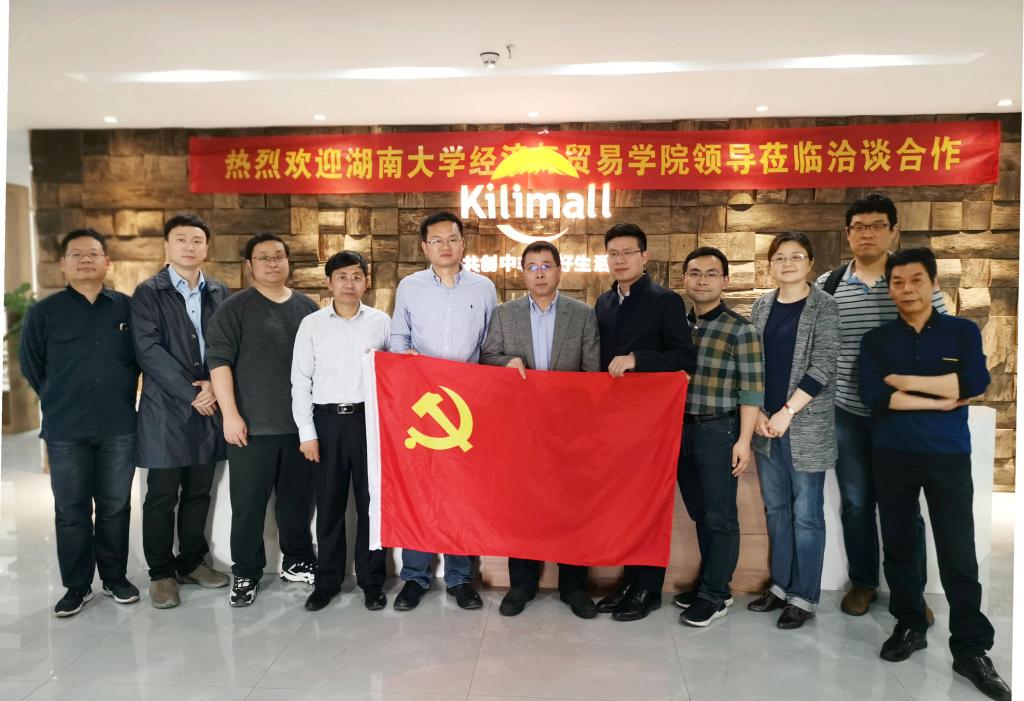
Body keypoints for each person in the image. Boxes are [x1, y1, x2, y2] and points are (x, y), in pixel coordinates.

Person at [859, 247, 1010, 701]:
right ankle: (909, 624)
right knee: (900, 546)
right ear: (889, 288)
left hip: (947, 456)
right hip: (891, 454)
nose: (907, 289)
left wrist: (904, 381)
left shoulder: (961, 332)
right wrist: (941, 397)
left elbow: (974, 382)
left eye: (916, 280)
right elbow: (873, 395)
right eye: (898, 282)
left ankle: (970, 649)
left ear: (932, 284)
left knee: (958, 550)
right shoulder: (877, 340)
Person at [818, 192, 945, 619]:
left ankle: (912, 591)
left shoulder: (912, 279)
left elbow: (943, 339)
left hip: (902, 415)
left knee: (905, 504)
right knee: (856, 502)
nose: (866, 234)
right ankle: (864, 582)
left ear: (894, 231)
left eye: (876, 225)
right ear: (847, 233)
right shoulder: (828, 285)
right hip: (847, 412)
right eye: (858, 227)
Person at [19, 228, 141, 617]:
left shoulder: (126, 309)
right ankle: (77, 586)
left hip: (118, 425)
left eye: (93, 253)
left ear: (107, 262)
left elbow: (141, 360)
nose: (85, 259)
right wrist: (60, 398)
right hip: (66, 428)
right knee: (71, 510)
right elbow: (32, 365)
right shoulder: (44, 313)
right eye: (76, 254)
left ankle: (115, 578)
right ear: (63, 264)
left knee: (115, 506)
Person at [480, 240, 601, 619]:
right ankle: (522, 584)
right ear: (523, 274)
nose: (539, 273)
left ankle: (574, 586)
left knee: (573, 508)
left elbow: (593, 374)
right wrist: (506, 361)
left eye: (546, 265)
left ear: (559, 270)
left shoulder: (583, 315)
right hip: (521, 431)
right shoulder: (505, 314)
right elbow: (487, 357)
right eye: (532, 267)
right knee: (523, 506)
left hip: (569, 431)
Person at [389, 211, 497, 612]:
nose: (445, 246)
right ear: (425, 247)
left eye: (452, 239)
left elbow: (490, 345)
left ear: (463, 244)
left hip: (469, 406)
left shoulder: (484, 288)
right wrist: (413, 367)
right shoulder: (410, 286)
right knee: (418, 490)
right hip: (423, 406)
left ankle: (460, 578)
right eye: (436, 240)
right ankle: (415, 577)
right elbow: (398, 339)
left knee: (462, 494)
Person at [206, 233, 319, 607]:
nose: (273, 263)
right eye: (264, 258)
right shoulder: (234, 308)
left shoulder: (307, 308)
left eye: (279, 256)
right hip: (250, 428)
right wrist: (230, 415)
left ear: (288, 261)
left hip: (300, 428)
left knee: (297, 503)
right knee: (248, 506)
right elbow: (219, 362)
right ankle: (246, 572)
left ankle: (297, 561)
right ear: (249, 265)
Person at [594, 223, 697, 622]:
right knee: (624, 504)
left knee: (650, 502)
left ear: (644, 257)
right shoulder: (604, 303)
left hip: (653, 423)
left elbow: (684, 358)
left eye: (628, 252)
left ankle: (649, 589)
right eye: (613, 253)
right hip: (614, 421)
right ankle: (630, 581)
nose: (620, 260)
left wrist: (638, 360)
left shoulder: (666, 301)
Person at [132, 213, 231, 609]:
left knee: (199, 491)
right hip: (166, 410)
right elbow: (148, 350)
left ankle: (192, 562)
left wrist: (214, 386)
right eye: (181, 239)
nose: (189, 246)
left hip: (209, 407)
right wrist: (194, 393)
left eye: (197, 240)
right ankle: (161, 573)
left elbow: (229, 344)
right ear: (167, 246)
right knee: (161, 495)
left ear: (206, 248)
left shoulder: (220, 291)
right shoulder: (148, 292)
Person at [748, 232, 839, 630]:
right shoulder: (761, 306)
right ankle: (781, 586)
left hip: (805, 426)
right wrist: (760, 412)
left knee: (806, 515)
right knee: (777, 509)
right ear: (770, 265)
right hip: (764, 425)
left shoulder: (825, 306)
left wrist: (787, 412)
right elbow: (752, 364)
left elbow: (823, 365)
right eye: (779, 257)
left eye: (796, 256)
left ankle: (803, 596)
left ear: (810, 262)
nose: (787, 263)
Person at [291, 251, 390, 612]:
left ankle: (372, 582)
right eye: (342, 277)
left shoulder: (381, 322)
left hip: (370, 423)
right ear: (329, 282)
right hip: (327, 423)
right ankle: (327, 582)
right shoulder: (312, 325)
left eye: (357, 276)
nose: (350, 283)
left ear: (367, 281)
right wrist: (307, 433)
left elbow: (395, 375)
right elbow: (300, 380)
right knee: (330, 506)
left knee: (371, 506)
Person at [673, 246, 763, 627]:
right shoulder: (677, 326)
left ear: (725, 280)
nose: (702, 280)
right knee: (699, 511)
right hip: (680, 430)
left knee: (720, 514)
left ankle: (715, 594)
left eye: (711, 274)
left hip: (718, 429)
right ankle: (710, 584)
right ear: (684, 279)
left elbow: (752, 391)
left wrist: (743, 441)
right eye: (695, 273)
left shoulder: (741, 329)